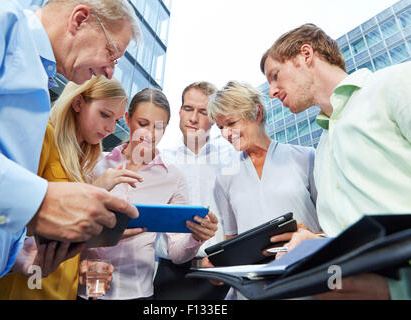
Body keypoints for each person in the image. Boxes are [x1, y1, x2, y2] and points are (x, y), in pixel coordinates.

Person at [0, 0, 141, 299]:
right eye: (112, 53)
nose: (110, 72)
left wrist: (14, 253)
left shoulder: (36, 75)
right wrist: (37, 202)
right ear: (80, 19)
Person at [260, 23, 411, 300]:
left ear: (305, 55)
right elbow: (344, 233)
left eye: (275, 75)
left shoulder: (396, 83)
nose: (272, 91)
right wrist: (316, 242)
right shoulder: (321, 151)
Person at [0, 76, 144, 300]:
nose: (111, 128)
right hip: (17, 290)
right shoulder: (44, 137)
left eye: (117, 120)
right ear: (78, 102)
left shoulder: (81, 166)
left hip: (60, 290)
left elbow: (60, 235)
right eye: (104, 114)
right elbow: (6, 215)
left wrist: (99, 240)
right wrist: (96, 191)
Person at [77, 88, 219, 300]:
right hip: (87, 289)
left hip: (137, 293)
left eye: (158, 127)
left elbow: (176, 254)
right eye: (143, 124)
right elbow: (69, 224)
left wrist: (195, 237)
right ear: (127, 118)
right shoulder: (95, 163)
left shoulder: (173, 177)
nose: (150, 134)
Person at [207, 81, 322, 299]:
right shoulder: (224, 180)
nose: (225, 133)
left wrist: (312, 237)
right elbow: (233, 242)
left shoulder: (306, 157)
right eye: (220, 127)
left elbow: (330, 228)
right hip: (253, 289)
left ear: (257, 113)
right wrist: (217, 268)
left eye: (231, 123)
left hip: (305, 279)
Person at [153, 81, 236, 300]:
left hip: (219, 274)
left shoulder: (231, 159)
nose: (193, 118)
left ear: (214, 116)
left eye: (203, 112)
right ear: (180, 111)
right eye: (188, 109)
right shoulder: (160, 159)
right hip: (170, 276)